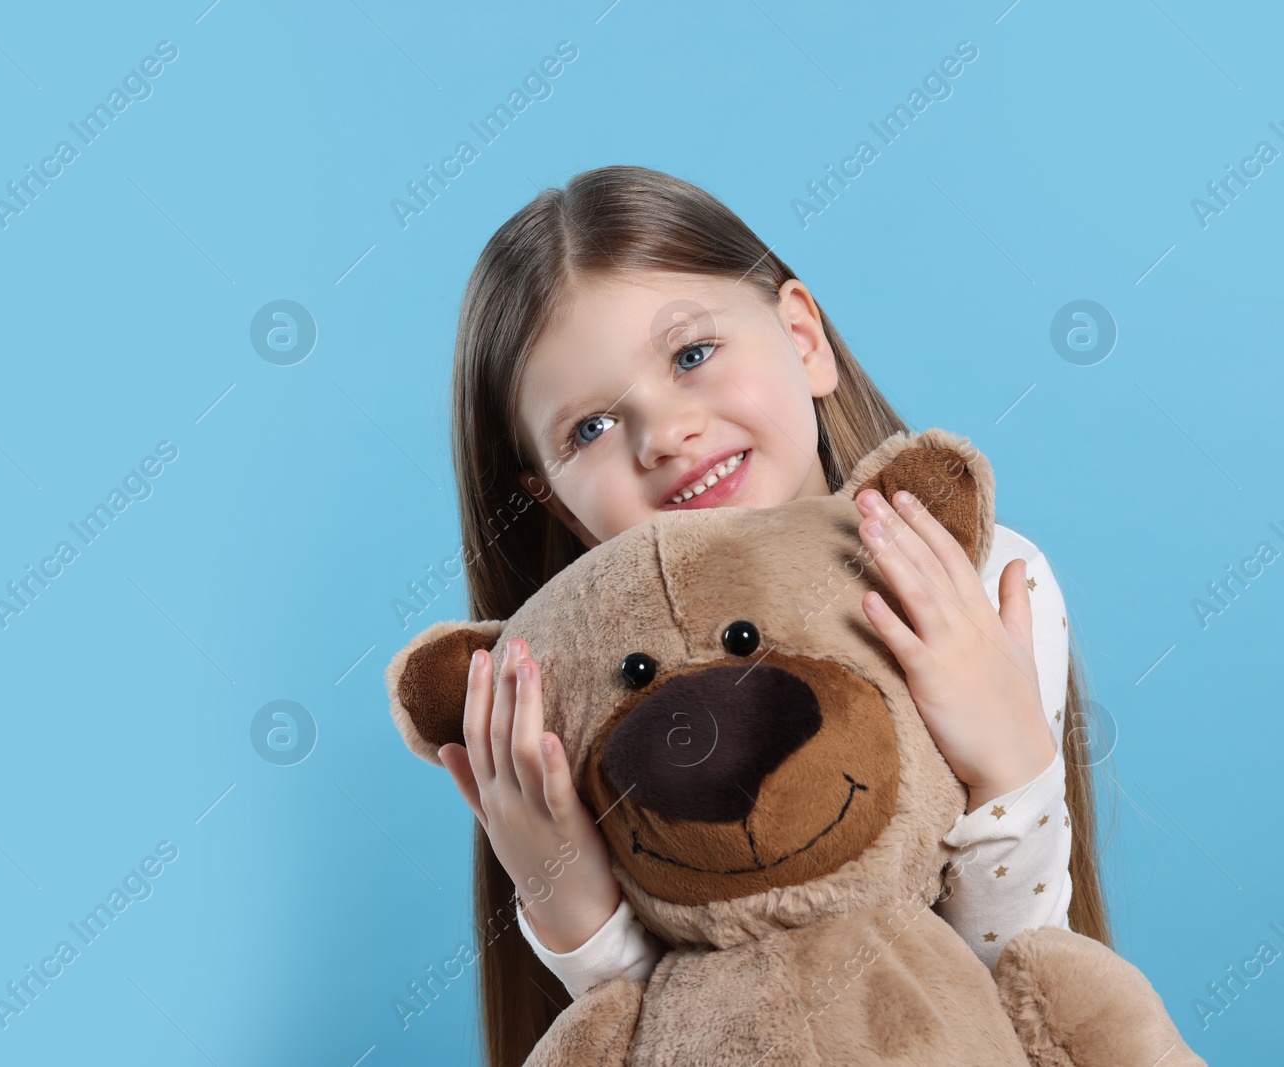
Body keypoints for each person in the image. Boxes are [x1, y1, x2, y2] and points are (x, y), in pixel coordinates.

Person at [435, 165, 1114, 1067]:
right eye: (590, 429)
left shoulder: (982, 582)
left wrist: (1012, 770)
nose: (664, 433)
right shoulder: (560, 700)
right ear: (558, 506)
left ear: (803, 338)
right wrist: (577, 916)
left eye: (690, 355)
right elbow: (675, 1033)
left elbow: (1015, 996)